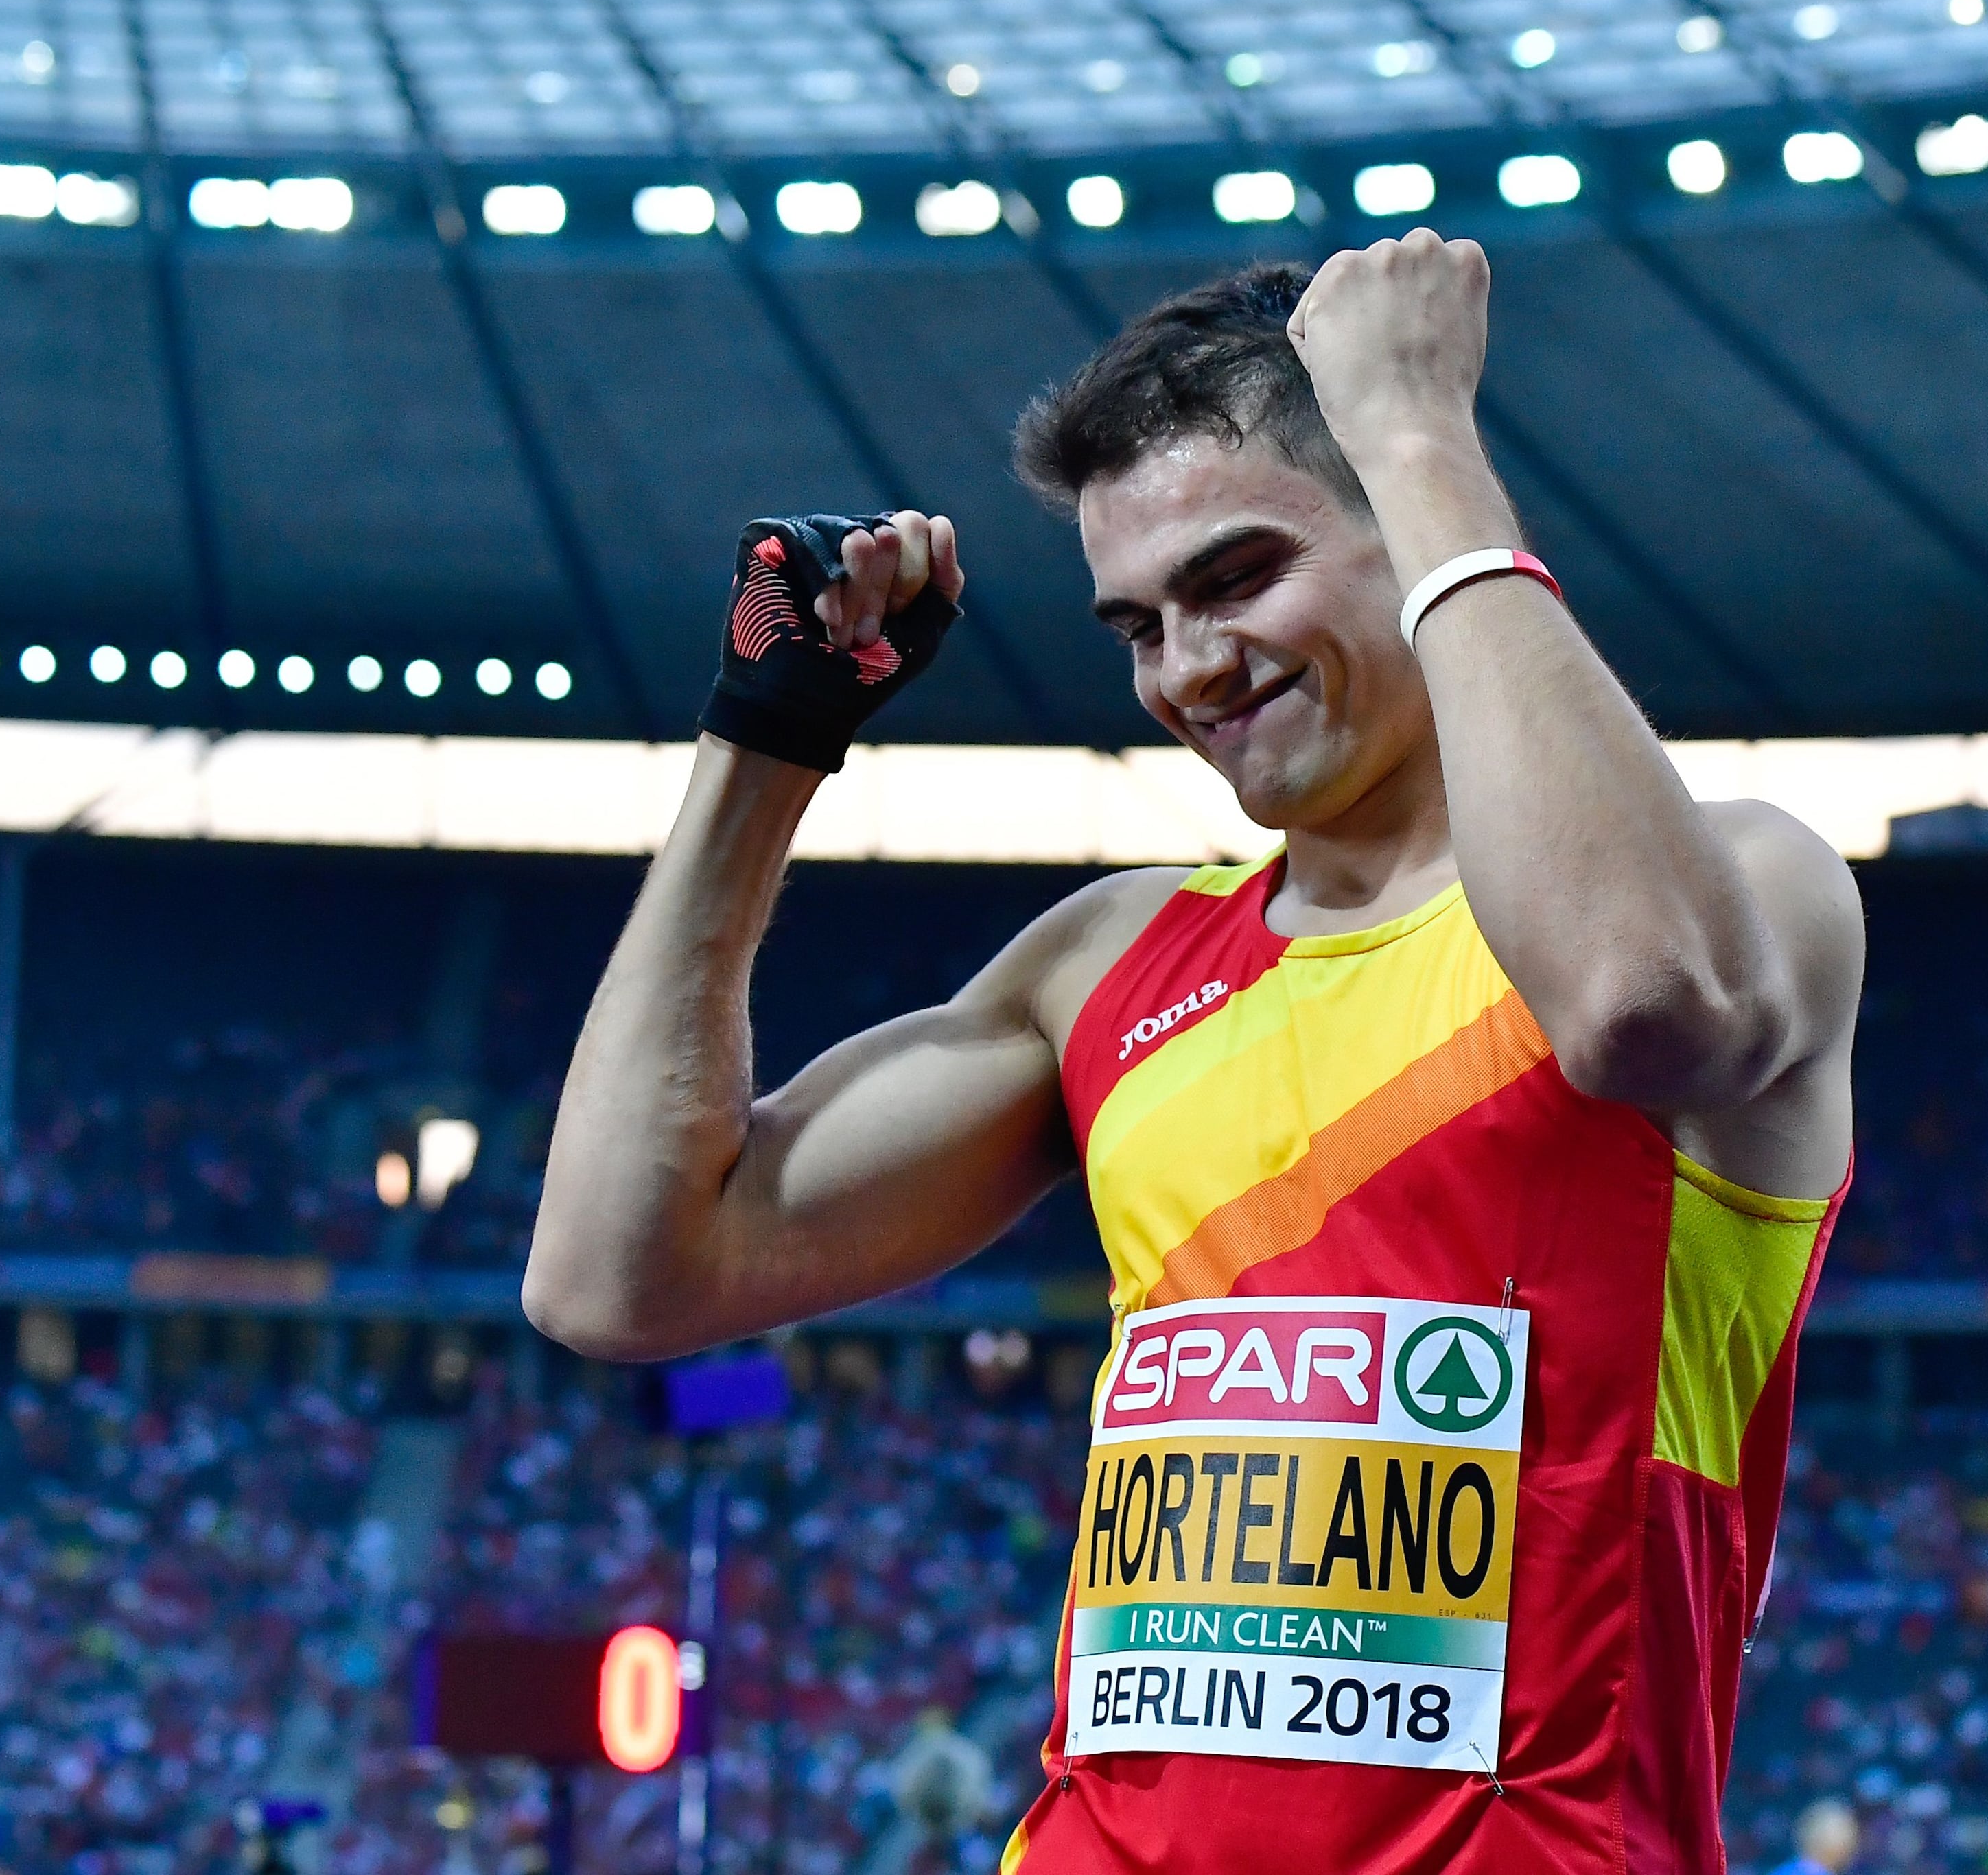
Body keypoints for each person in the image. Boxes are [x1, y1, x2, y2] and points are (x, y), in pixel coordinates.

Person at [524, 231, 1863, 1872]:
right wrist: (767, 743)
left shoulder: (1739, 884)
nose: (1187, 671)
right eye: (1136, 624)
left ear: (1409, 519)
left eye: (1237, 580)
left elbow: (1637, 1002)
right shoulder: (1112, 963)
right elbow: (619, 1276)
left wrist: (1420, 430)